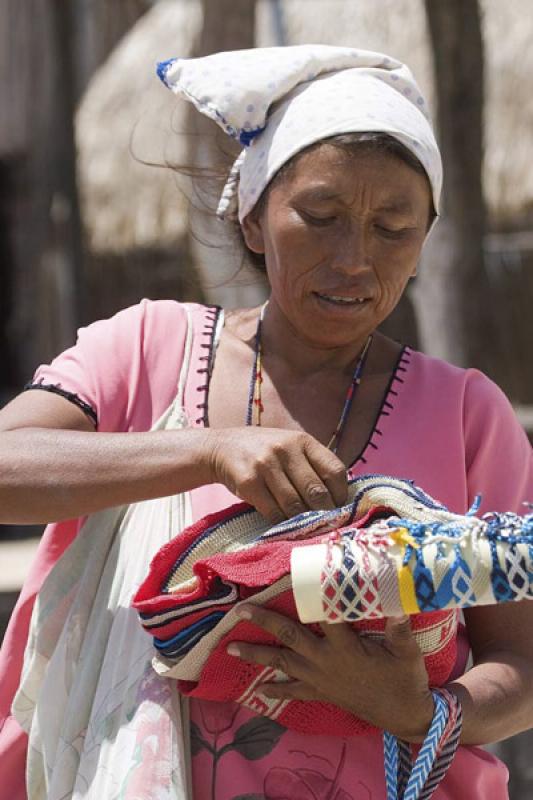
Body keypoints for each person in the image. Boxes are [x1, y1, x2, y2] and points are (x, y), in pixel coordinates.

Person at [1, 44, 532, 800]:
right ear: (251, 219)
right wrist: (210, 451)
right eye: (320, 217)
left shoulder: (465, 416)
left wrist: (417, 710)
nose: (354, 259)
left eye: (393, 228)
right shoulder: (146, 349)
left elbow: (521, 663)